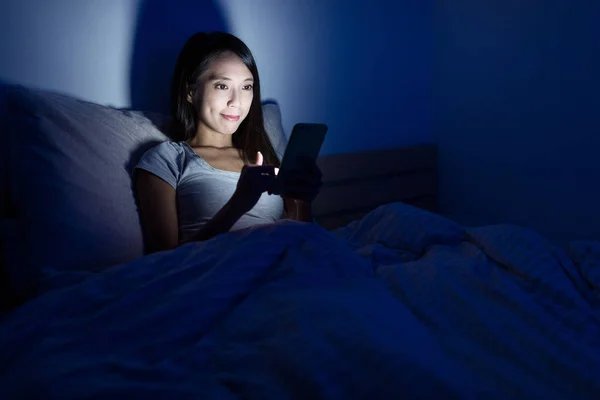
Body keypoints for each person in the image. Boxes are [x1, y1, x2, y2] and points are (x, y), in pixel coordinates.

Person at [134, 32, 323, 254]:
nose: (237, 102)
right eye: (222, 86)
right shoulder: (167, 159)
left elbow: (305, 245)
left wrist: (303, 202)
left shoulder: (266, 159)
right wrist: (239, 203)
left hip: (284, 271)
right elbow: (163, 262)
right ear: (190, 92)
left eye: (246, 87)